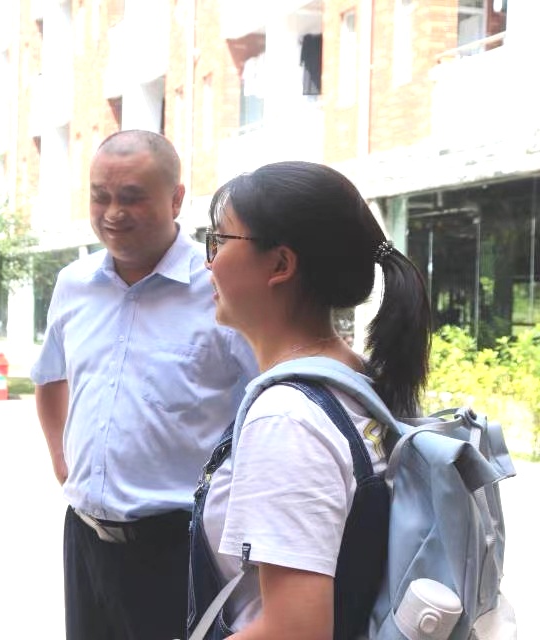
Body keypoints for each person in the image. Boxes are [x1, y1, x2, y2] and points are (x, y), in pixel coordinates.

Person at [31, 130, 257, 640]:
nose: (113, 213)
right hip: (84, 540)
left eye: (132, 197)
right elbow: (49, 378)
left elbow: (265, 405)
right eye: (100, 196)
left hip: (179, 548)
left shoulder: (219, 288)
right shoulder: (73, 284)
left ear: (176, 199)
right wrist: (63, 463)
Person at [192, 161, 431, 638]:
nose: (208, 263)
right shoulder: (358, 380)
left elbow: (295, 630)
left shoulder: (287, 418)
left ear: (280, 265)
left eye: (219, 241)